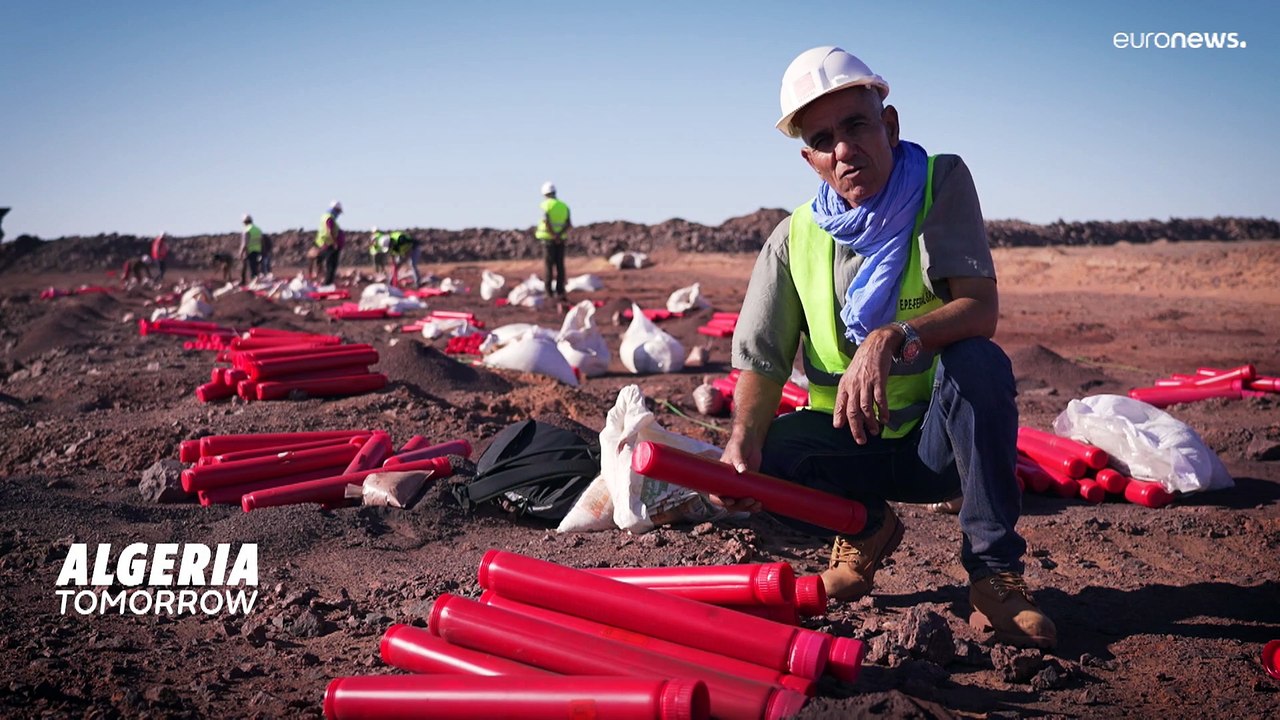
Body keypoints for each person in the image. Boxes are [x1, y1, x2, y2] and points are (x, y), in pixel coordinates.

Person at [719, 47, 1056, 649]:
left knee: (979, 361)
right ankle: (867, 529)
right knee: (765, 452)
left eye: (856, 125)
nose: (844, 148)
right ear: (810, 159)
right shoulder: (793, 237)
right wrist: (740, 449)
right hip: (856, 446)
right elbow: (762, 358)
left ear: (890, 125)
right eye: (823, 139)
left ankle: (993, 575)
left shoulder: (940, 183)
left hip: (938, 448)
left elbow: (981, 307)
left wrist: (895, 335)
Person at [535, 181, 571, 299]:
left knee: (549, 266)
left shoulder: (545, 205)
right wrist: (559, 235)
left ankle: (549, 292)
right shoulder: (564, 206)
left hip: (548, 241)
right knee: (560, 266)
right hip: (560, 240)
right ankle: (560, 291)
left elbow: (546, 221)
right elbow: (568, 223)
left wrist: (553, 235)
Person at [315, 201, 345, 285]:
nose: (338, 214)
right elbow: (330, 230)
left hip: (326, 243)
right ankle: (328, 283)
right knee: (331, 265)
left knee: (330, 264)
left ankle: (327, 282)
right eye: (338, 211)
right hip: (330, 244)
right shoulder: (329, 218)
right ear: (335, 209)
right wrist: (334, 242)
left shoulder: (325, 217)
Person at [239, 214, 264, 285]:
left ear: (244, 222)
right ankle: (255, 280)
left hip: (249, 251)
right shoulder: (258, 229)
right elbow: (261, 241)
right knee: (255, 267)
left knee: (248, 267)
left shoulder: (247, 230)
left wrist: (241, 252)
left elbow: (244, 243)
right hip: (257, 250)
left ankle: (246, 282)